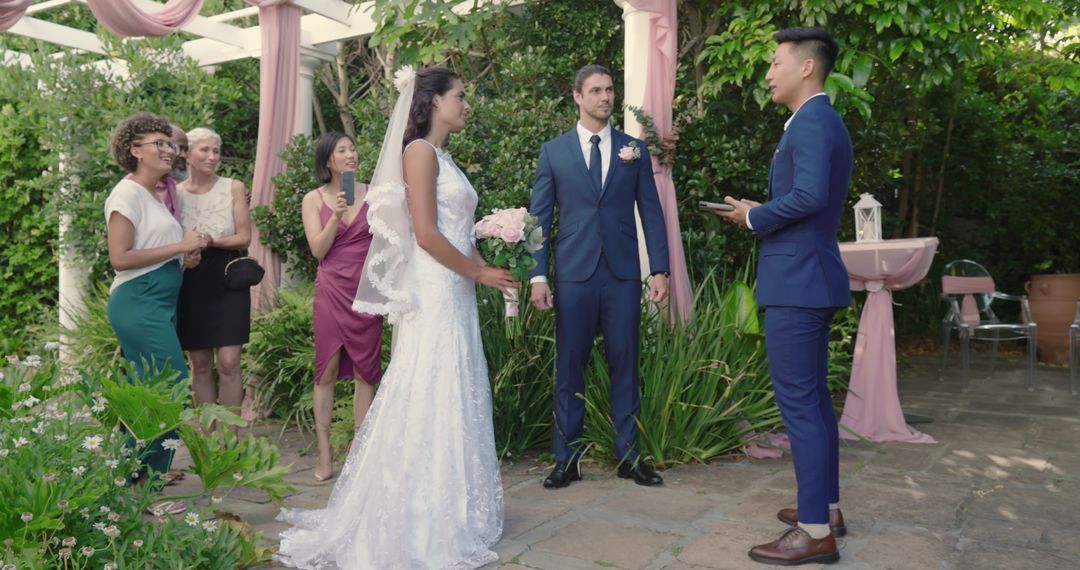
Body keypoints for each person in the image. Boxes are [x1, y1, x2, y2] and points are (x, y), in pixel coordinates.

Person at [275, 66, 513, 568]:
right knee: (428, 383)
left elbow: (451, 225)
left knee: (455, 380)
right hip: (436, 288)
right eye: (461, 96)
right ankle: (419, 507)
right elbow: (425, 234)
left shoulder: (443, 155)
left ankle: (453, 502)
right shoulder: (419, 153)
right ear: (433, 102)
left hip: (454, 286)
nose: (467, 104)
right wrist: (478, 272)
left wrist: (492, 236)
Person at [716, 27, 852, 566]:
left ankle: (815, 532)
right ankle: (826, 509)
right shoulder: (815, 120)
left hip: (798, 283)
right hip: (809, 276)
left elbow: (810, 196)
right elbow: (805, 196)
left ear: (805, 68)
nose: (768, 73)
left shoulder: (814, 119)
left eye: (775, 62)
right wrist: (761, 208)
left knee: (801, 405)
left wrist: (755, 216)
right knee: (815, 402)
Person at [528, 64, 670, 488]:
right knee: (569, 366)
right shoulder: (553, 151)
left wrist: (658, 268)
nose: (605, 97)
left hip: (623, 274)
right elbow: (540, 218)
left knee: (626, 362)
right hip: (574, 273)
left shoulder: (634, 150)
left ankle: (629, 456)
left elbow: (651, 212)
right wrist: (538, 275)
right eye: (595, 91)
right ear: (577, 96)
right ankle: (566, 460)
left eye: (609, 90)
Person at [104, 112, 208, 511]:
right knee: (171, 392)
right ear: (134, 151)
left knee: (148, 397)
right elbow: (120, 257)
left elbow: (151, 251)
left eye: (170, 143)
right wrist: (180, 248)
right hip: (139, 302)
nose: (168, 149)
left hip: (157, 302)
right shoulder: (126, 194)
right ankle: (146, 490)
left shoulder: (150, 196)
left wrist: (183, 260)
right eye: (158, 143)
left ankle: (131, 484)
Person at [299, 131, 385, 481]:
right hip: (332, 289)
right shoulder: (313, 199)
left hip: (367, 290)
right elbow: (318, 251)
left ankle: (361, 449)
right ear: (328, 160)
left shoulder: (376, 194)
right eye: (342, 150)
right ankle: (324, 451)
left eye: (353, 148)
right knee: (328, 369)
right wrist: (335, 216)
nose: (350, 154)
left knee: (366, 370)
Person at [176, 128, 253, 425]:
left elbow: (244, 237)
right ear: (188, 155)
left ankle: (232, 440)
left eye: (216, 151)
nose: (212, 157)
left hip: (227, 277)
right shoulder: (175, 194)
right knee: (200, 364)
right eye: (204, 150)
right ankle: (209, 441)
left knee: (230, 362)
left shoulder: (233, 187)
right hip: (191, 280)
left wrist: (209, 241)